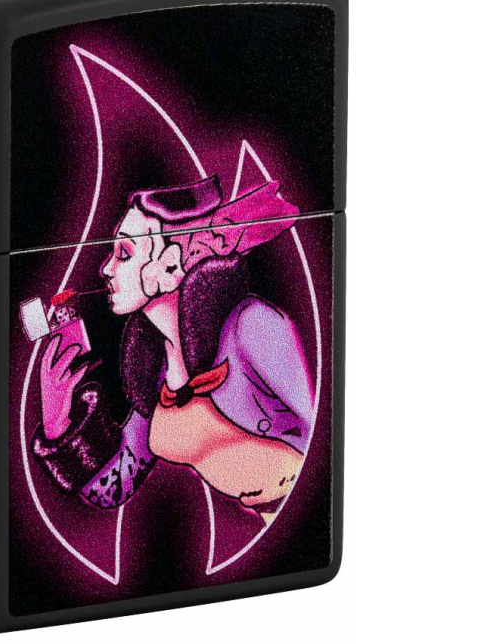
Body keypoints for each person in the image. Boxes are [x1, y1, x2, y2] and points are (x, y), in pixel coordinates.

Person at [31, 175, 314, 525]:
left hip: (303, 521)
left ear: (169, 266)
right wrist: (58, 425)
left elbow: (325, 432)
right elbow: (114, 486)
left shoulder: (251, 326)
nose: (106, 268)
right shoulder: (158, 369)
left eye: (124, 254)